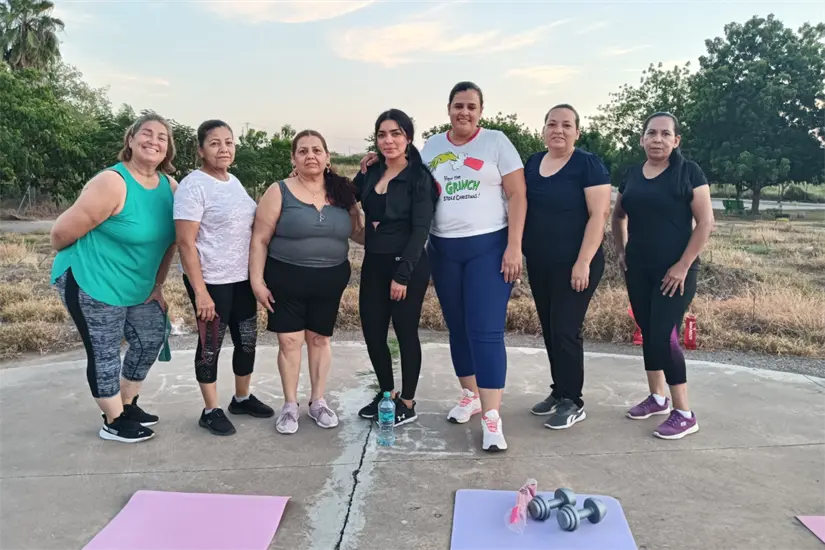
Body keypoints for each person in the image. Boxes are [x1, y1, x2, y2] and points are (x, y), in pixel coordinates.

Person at [362, 81, 527, 452]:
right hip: (443, 249)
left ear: (480, 111)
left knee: (485, 330)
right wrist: (374, 160)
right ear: (448, 109)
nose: (463, 112)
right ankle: (469, 394)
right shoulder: (432, 147)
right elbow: (405, 173)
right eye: (458, 106)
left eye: (471, 106)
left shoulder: (497, 142)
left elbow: (517, 195)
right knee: (457, 327)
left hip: (488, 245)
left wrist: (514, 247)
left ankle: (491, 417)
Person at [49, 113, 178, 443]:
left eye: (161, 137)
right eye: (145, 134)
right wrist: (88, 260)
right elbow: (60, 233)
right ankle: (113, 420)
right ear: (130, 141)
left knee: (150, 336)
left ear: (168, 149)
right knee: (104, 350)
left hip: (137, 286)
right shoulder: (113, 183)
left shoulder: (171, 188)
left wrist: (158, 285)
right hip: (92, 279)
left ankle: (127, 403)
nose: (153, 140)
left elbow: (171, 243)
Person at [249, 129, 361, 435]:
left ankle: (318, 402)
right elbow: (259, 239)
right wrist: (257, 282)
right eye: (303, 151)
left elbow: (358, 234)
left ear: (327, 157)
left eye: (316, 150)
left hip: (330, 280)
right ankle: (289, 405)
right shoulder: (279, 191)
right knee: (289, 341)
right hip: (285, 278)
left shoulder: (343, 193)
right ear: (293, 159)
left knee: (320, 340)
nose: (310, 155)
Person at [611, 111, 714, 440]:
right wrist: (622, 251)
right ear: (642, 139)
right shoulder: (632, 174)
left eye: (665, 134)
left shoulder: (688, 172)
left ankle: (683, 412)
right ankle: (657, 397)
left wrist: (683, 265)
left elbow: (706, 223)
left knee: (663, 333)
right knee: (647, 329)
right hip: (638, 268)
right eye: (651, 133)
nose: (658, 139)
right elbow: (618, 216)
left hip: (676, 271)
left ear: (676, 140)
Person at [174, 119, 275, 436]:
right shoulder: (193, 185)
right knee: (210, 346)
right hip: (212, 282)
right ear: (201, 149)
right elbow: (185, 243)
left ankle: (241, 398)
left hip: (241, 279)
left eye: (229, 142)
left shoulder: (234, 182)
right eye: (215, 143)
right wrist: (201, 292)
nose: (224, 148)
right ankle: (210, 409)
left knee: (247, 340)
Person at [524, 104, 612, 430]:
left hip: (577, 264)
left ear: (577, 131)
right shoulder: (533, 163)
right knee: (549, 328)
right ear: (543, 129)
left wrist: (583, 262)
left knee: (565, 329)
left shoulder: (588, 165)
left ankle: (573, 401)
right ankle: (559, 390)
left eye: (566, 125)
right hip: (541, 263)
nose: (558, 130)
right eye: (552, 124)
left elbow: (598, 215)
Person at [354, 109, 437, 426]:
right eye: (382, 134)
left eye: (396, 134)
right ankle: (386, 393)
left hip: (408, 267)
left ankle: (408, 401)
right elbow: (345, 194)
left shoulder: (420, 178)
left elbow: (420, 231)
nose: (388, 140)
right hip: (374, 263)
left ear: (408, 138)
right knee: (373, 333)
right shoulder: (371, 172)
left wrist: (402, 274)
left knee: (404, 333)